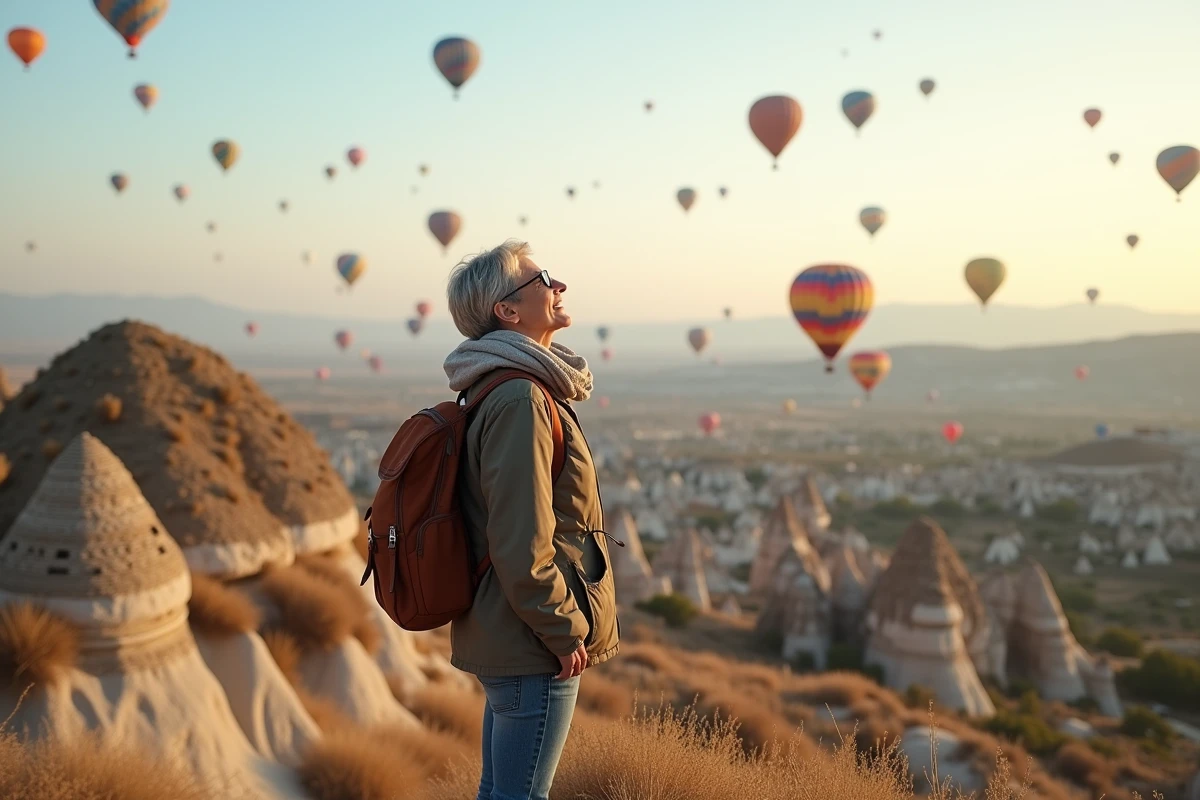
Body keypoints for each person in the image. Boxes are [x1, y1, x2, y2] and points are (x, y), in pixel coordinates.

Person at [444, 240, 621, 800]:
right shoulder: (521, 396)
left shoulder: (503, 386)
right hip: (530, 640)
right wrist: (563, 626)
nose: (559, 284)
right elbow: (520, 536)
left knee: (498, 793)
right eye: (543, 277)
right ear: (507, 310)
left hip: (508, 631)